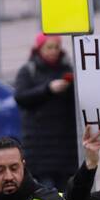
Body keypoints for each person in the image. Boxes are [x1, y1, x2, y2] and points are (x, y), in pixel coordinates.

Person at [13, 34, 78, 190]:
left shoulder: (67, 69)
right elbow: (21, 97)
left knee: (66, 196)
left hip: (65, 149)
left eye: (56, 47)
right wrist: (48, 89)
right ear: (39, 49)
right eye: (49, 47)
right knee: (45, 195)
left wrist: (70, 87)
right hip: (39, 148)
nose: (53, 51)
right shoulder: (29, 71)